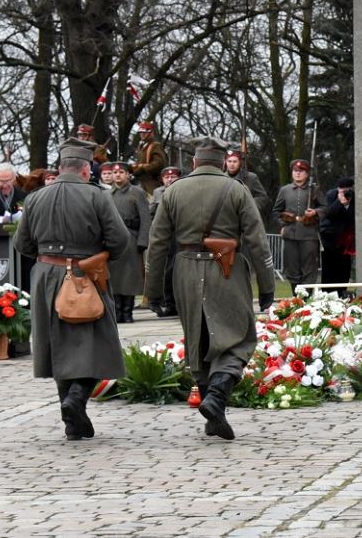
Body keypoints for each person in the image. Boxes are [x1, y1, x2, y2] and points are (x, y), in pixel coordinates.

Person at [145, 139, 276, 441]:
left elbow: (158, 244)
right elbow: (257, 241)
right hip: (226, 270)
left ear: (194, 163)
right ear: (221, 163)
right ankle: (216, 397)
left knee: (198, 339)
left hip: (185, 270)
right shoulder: (237, 190)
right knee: (238, 337)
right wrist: (267, 286)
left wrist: (152, 290)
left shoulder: (173, 191)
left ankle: (213, 414)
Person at [12, 138, 131, 440]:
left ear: (62, 167)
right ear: (84, 169)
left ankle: (72, 420)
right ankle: (77, 398)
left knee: (57, 346)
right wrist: (99, 256)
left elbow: (21, 244)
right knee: (100, 342)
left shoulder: (35, 198)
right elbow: (119, 240)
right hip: (85, 274)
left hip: (45, 277)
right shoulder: (97, 196)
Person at [272, 159, 327, 293]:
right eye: (295, 171)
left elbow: (325, 207)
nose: (297, 174)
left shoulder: (314, 190)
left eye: (301, 171)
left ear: (307, 174)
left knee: (309, 269)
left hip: (309, 234)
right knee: (292, 268)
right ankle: (296, 299)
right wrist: (282, 226)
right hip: (290, 234)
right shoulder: (285, 190)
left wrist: (315, 212)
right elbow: (275, 212)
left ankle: (306, 299)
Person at [108, 161, 150, 323]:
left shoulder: (136, 192)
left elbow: (145, 218)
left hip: (132, 238)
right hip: (113, 240)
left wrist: (143, 240)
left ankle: (127, 311)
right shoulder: (107, 195)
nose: (117, 175)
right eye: (115, 173)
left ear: (127, 175)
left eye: (121, 172)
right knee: (115, 278)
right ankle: (117, 311)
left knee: (130, 277)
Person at [149, 165, 182, 318]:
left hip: (179, 233)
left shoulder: (184, 190)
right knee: (164, 269)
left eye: (173, 176)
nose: (169, 179)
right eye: (166, 177)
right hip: (164, 234)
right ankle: (166, 302)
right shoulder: (158, 192)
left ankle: (178, 302)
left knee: (178, 268)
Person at [319, 176, 356, 294]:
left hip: (345, 241)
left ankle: (341, 293)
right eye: (342, 191)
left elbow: (352, 218)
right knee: (329, 270)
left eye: (347, 191)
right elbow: (329, 214)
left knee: (344, 270)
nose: (346, 194)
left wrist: (347, 205)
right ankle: (327, 294)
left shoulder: (354, 198)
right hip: (330, 238)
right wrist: (339, 202)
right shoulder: (331, 195)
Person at [224, 149, 271, 220]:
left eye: (235, 161)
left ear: (239, 162)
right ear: (226, 162)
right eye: (229, 161)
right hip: (226, 218)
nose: (232, 164)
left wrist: (249, 205)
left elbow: (263, 197)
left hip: (246, 218)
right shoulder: (221, 178)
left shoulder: (251, 177)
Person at [130, 120, 167, 196]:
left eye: (145, 132)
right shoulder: (141, 146)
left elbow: (159, 164)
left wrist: (142, 168)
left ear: (151, 133)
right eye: (141, 132)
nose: (142, 134)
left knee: (153, 203)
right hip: (140, 182)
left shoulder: (155, 146)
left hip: (152, 182)